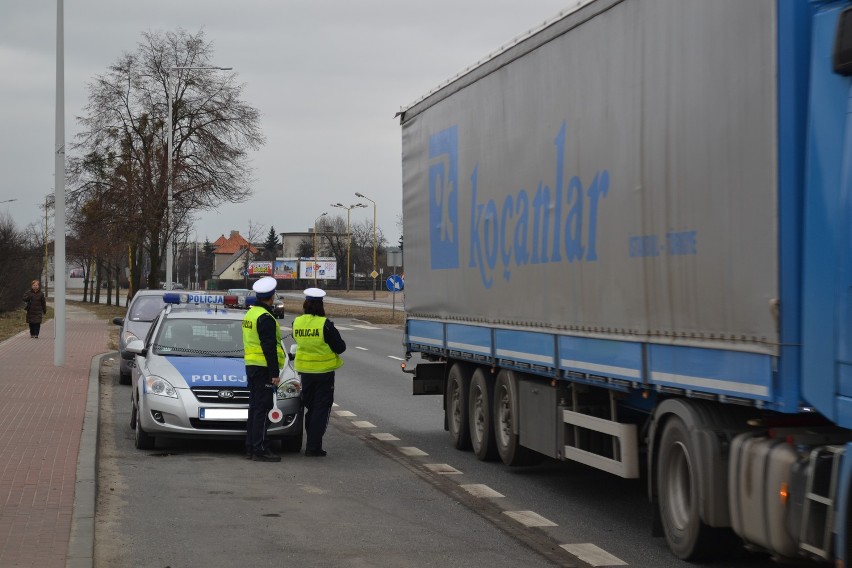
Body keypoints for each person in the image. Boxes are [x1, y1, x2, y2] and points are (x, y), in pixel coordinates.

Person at [292, 287, 346, 457]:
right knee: (321, 410)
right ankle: (313, 447)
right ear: (321, 305)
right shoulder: (325, 325)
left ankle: (312, 443)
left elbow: (297, 340)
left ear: (305, 304)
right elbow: (340, 347)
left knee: (311, 408)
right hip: (324, 373)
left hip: (305, 373)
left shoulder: (297, 322)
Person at [242, 276, 285, 462]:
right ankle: (260, 448)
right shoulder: (266, 317)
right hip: (263, 368)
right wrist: (274, 373)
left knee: (254, 408)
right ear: (271, 296)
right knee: (262, 409)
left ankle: (252, 446)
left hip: (252, 366)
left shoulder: (251, 314)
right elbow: (269, 347)